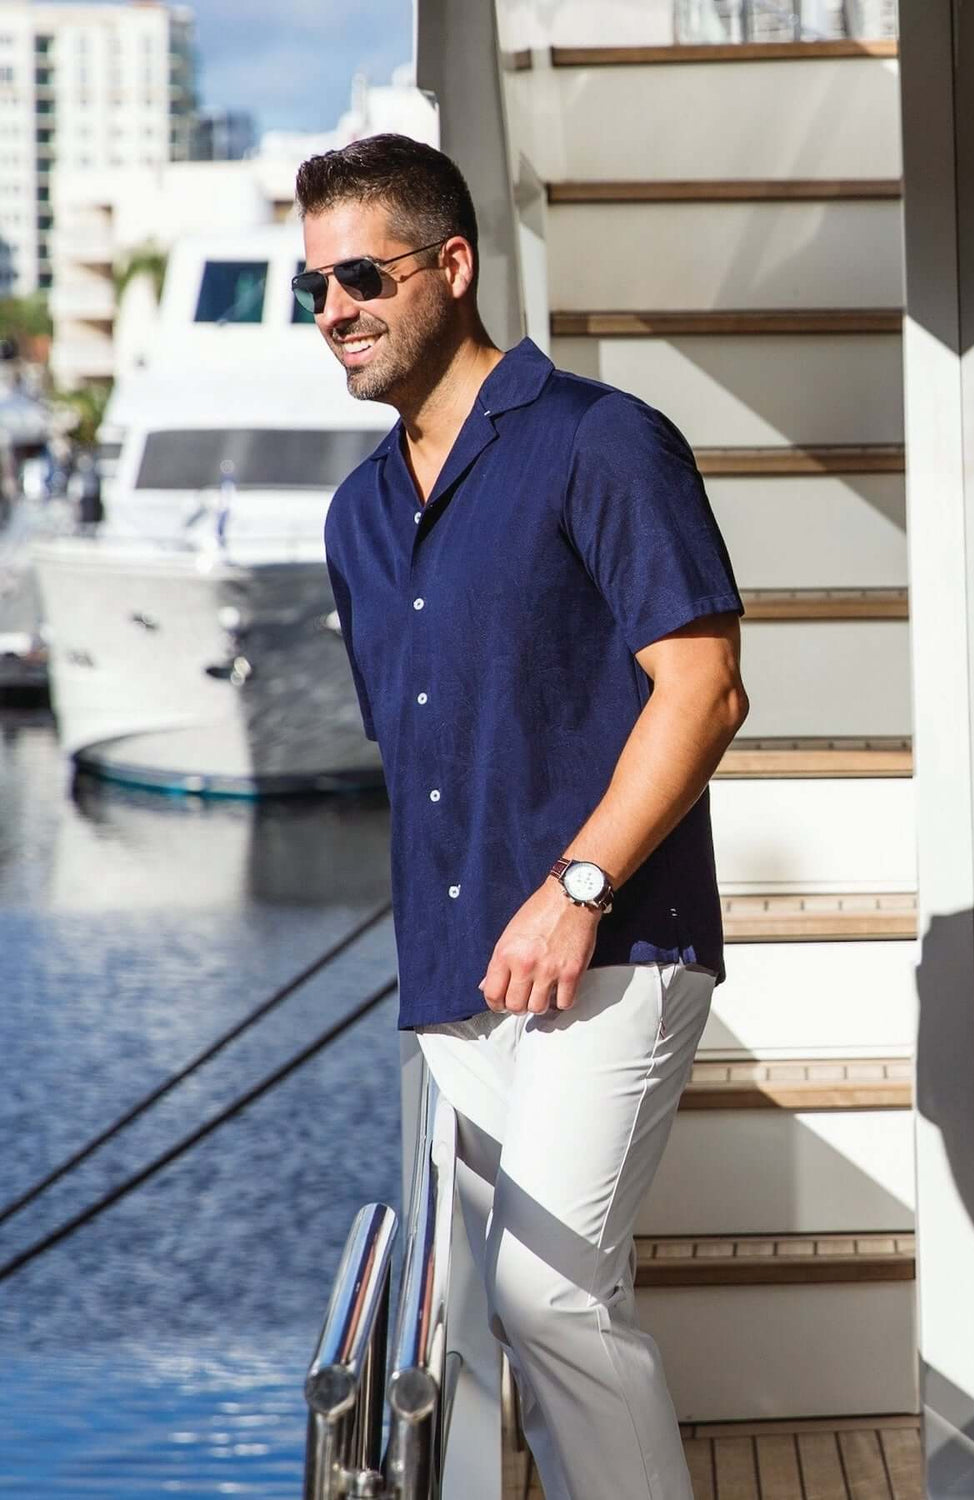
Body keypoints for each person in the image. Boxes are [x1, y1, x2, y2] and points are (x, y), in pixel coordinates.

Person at [295, 134, 749, 1500]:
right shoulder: (357, 516)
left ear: (453, 266)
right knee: (511, 1321)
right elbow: (419, 747)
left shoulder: (601, 444)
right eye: (310, 286)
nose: (334, 313)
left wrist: (582, 884)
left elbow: (706, 688)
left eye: (362, 275)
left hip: (611, 950)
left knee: (551, 1295)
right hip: (456, 982)